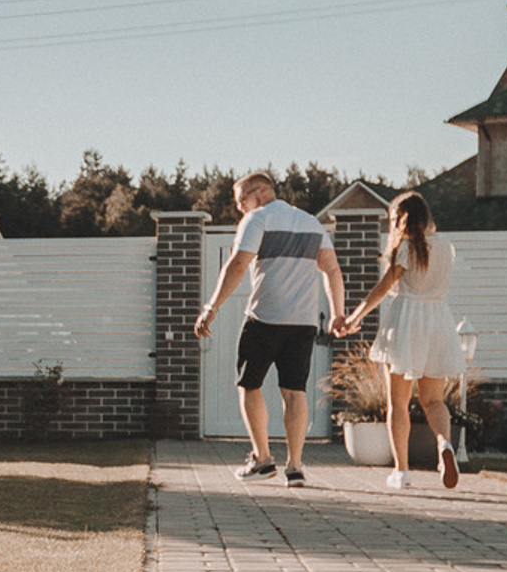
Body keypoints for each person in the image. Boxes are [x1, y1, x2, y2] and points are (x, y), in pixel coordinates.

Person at [193, 172, 346, 486]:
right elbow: (332, 270)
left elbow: (238, 264)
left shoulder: (257, 219)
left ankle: (262, 460)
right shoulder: (311, 223)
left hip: (264, 319)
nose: (240, 210)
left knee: (249, 385)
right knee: (295, 391)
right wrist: (338, 313)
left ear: (260, 191)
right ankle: (295, 467)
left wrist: (211, 307)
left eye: (241, 202)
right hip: (302, 322)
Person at [341, 189, 464, 492]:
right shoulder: (446, 248)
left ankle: (402, 471)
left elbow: (382, 288)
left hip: (406, 323)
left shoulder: (406, 248)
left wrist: (354, 317)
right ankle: (445, 444)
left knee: (398, 402)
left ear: (400, 219)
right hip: (437, 322)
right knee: (434, 400)